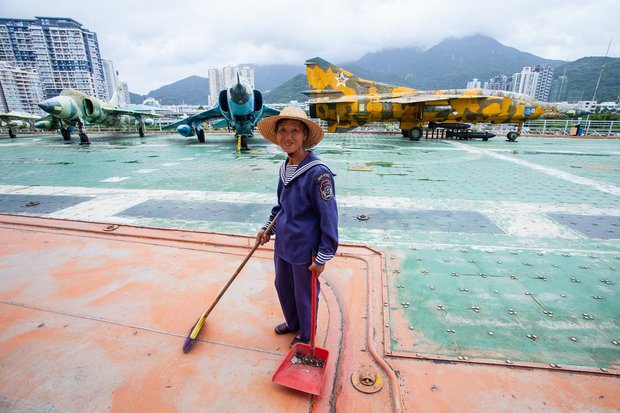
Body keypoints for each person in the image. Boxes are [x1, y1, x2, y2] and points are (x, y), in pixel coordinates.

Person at [255, 107, 338, 348]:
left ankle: (307, 334)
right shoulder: (286, 166)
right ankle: (293, 322)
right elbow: (281, 205)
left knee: (305, 294)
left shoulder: (318, 173)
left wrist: (323, 256)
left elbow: (329, 217)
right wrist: (267, 229)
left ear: (304, 136)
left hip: (305, 247)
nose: (287, 137)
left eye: (294, 131)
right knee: (283, 285)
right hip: (284, 243)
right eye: (282, 131)